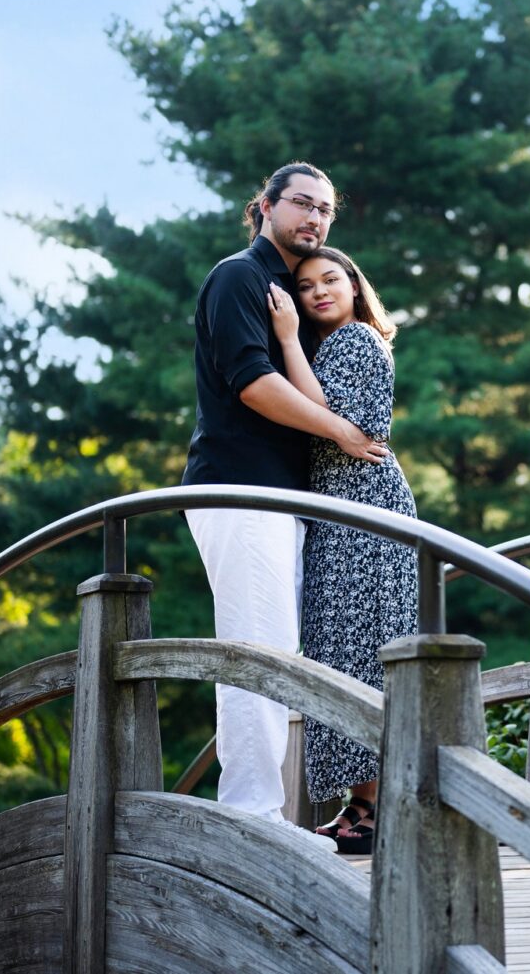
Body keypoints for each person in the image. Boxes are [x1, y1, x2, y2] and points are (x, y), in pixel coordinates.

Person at [181, 162, 387, 834]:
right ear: (265, 205)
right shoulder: (239, 277)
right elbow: (252, 383)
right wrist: (342, 433)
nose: (316, 219)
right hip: (241, 491)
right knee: (255, 649)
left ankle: (263, 809)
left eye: (326, 210)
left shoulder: (291, 291)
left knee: (276, 649)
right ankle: (252, 817)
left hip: (282, 500)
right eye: (302, 203)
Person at [268, 246, 418, 855]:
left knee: (362, 649)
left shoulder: (355, 340)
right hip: (341, 511)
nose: (319, 292)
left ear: (356, 287)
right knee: (340, 649)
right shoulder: (334, 345)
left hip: (367, 511)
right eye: (306, 287)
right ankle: (363, 803)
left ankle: (378, 805)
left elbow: (328, 415)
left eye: (332, 279)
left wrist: (285, 338)